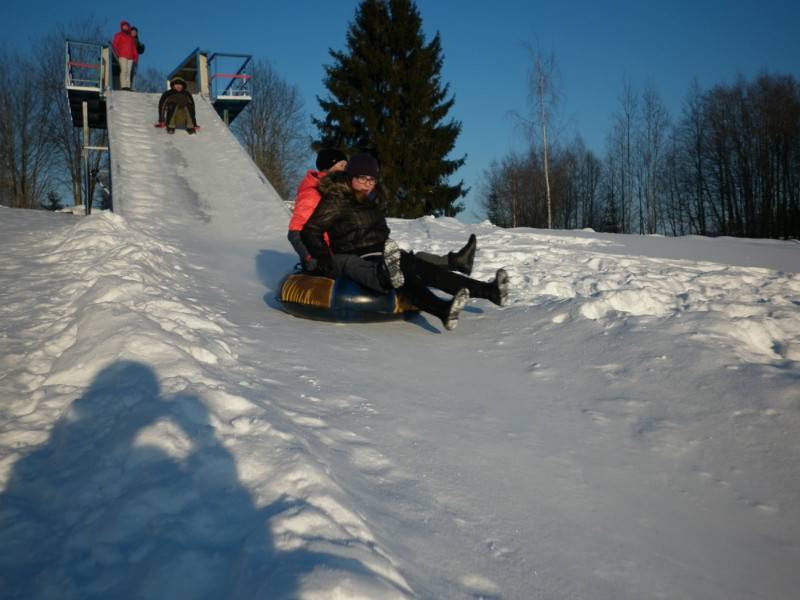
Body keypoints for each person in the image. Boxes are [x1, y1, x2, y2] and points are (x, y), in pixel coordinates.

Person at [302, 153, 508, 330]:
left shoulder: (370, 199)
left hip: (383, 250)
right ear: (350, 176)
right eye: (363, 178)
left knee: (429, 271)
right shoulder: (336, 199)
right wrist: (325, 260)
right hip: (359, 254)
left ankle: (489, 291)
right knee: (404, 275)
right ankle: (442, 309)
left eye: (372, 179)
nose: (368, 183)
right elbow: (311, 230)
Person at [288, 149, 476, 275]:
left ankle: (453, 262)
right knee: (397, 262)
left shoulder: (340, 190)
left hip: (353, 246)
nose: (347, 170)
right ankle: (452, 263)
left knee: (404, 257)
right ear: (328, 168)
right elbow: (297, 232)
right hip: (332, 256)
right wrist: (313, 258)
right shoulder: (312, 194)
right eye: (342, 166)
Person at [112, 20, 138, 91]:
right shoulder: (118, 35)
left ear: (128, 27)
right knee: (124, 70)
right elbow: (115, 45)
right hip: (122, 55)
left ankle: (128, 86)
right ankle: (123, 86)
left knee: (129, 72)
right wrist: (117, 54)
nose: (125, 27)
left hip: (131, 57)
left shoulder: (130, 38)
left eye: (126, 26)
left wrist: (135, 57)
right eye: (124, 26)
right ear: (121, 27)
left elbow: (134, 48)